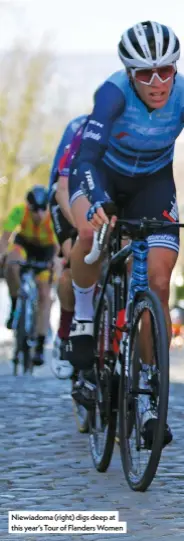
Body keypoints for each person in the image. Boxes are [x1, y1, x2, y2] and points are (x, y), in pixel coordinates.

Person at [65, 20, 184, 447]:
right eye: (145, 73)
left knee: (157, 276)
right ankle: (82, 318)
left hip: (153, 186)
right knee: (85, 231)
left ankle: (150, 391)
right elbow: (86, 157)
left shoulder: (182, 92)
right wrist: (97, 202)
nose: (157, 82)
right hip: (104, 176)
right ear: (130, 74)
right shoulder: (112, 94)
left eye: (165, 70)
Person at [0, 185, 59, 366]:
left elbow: (58, 248)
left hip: (46, 251)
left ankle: (40, 345)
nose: (39, 215)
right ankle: (15, 302)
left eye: (43, 209)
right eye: (35, 210)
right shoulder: (19, 211)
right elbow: (5, 238)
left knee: (44, 295)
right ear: (29, 206)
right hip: (24, 246)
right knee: (12, 262)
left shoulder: (53, 218)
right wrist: (3, 256)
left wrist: (55, 263)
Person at [48, 115, 88, 368]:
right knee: (73, 266)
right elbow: (61, 191)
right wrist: (79, 226)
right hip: (67, 203)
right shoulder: (78, 136)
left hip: (100, 200)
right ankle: (65, 332)